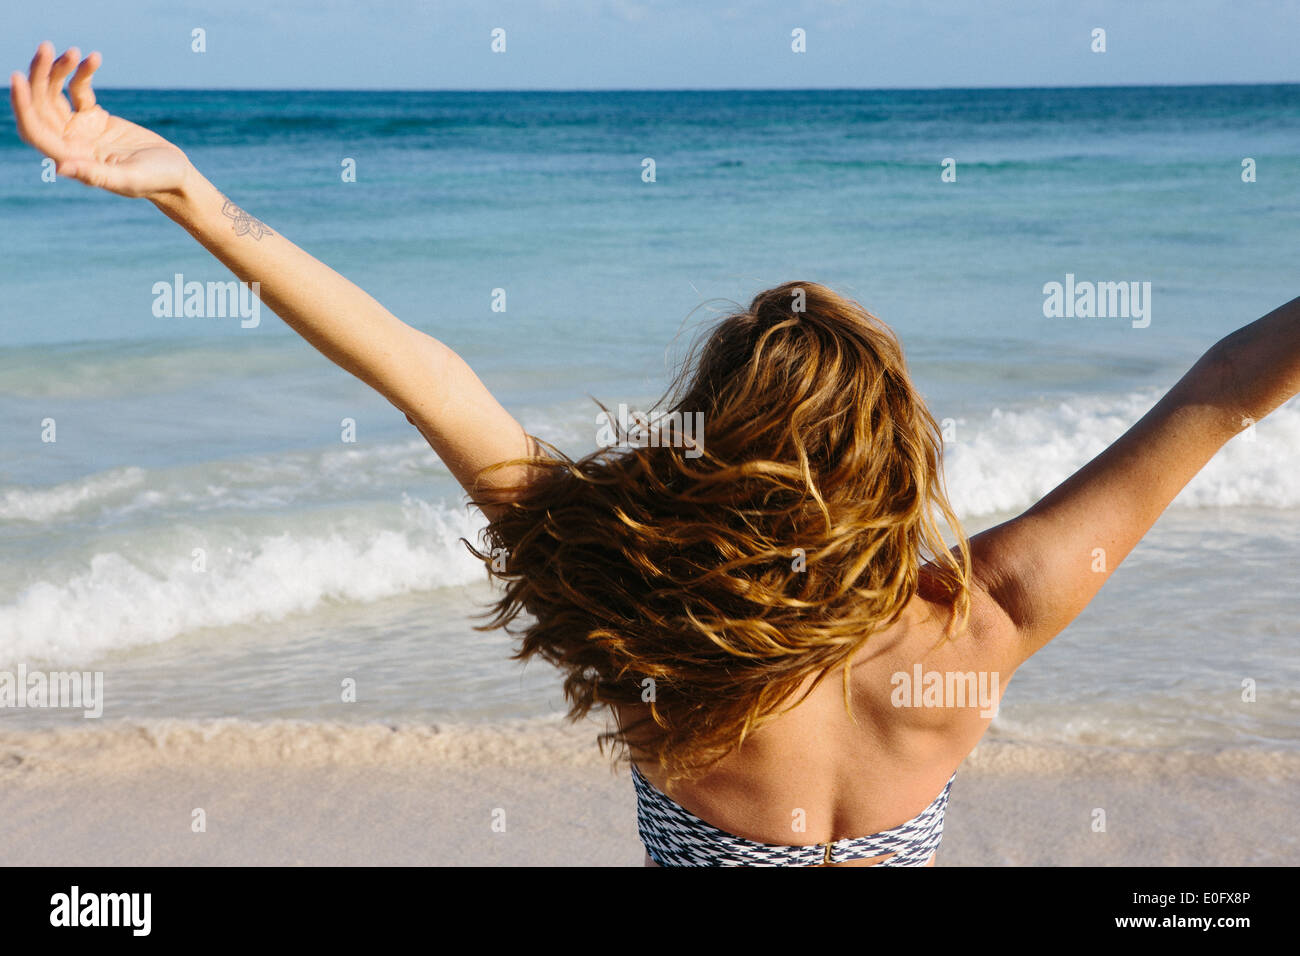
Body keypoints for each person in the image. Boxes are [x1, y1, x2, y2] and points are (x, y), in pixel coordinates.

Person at [12, 43, 1298, 866]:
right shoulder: (982, 620)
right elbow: (1227, 387)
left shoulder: (637, 634)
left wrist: (193, 194)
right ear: (895, 461)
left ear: (721, 447)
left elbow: (416, 369)